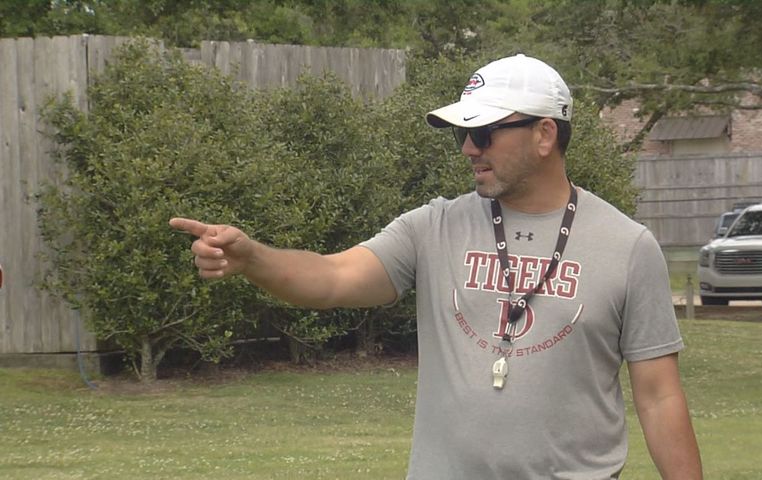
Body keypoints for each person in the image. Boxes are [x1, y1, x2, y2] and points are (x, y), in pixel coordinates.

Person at [170, 54, 702, 479]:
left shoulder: (627, 246)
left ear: (544, 135)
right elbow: (332, 279)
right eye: (461, 134)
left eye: (485, 132)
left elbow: (659, 397)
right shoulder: (434, 227)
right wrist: (254, 257)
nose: (469, 147)